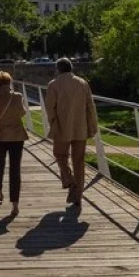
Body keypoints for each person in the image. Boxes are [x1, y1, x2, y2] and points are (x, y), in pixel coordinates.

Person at [44, 57, 98, 209]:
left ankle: (70, 181)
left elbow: (50, 107)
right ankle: (78, 195)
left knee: (60, 155)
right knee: (79, 161)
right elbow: (90, 106)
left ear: (58, 69)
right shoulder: (82, 83)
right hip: (80, 127)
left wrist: (53, 122)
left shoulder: (54, 85)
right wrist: (92, 125)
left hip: (61, 127)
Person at [0, 71, 28, 217]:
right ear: (10, 82)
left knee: (0, 163)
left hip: (1, 136)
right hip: (17, 136)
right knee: (15, 169)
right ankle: (15, 203)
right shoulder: (18, 96)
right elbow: (22, 113)